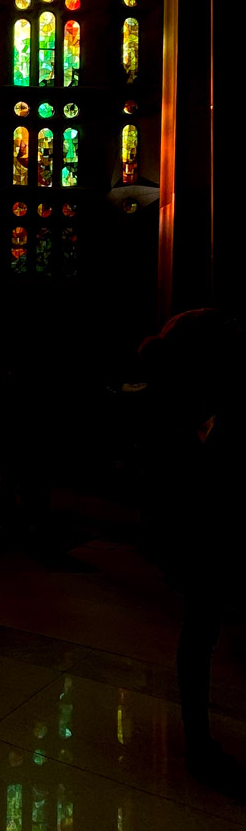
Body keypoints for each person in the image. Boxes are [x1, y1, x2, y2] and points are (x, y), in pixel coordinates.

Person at [137, 309, 245, 795]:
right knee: (200, 636)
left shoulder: (184, 415)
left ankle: (198, 741)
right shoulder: (183, 422)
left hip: (204, 543)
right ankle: (198, 744)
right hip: (209, 543)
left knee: (199, 635)